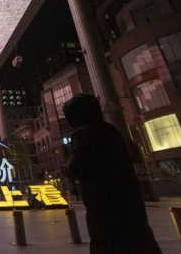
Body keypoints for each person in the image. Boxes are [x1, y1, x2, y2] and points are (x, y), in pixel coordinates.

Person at [60, 94, 161, 253]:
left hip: (104, 203)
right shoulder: (111, 131)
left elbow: (77, 167)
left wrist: (64, 168)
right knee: (140, 240)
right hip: (129, 200)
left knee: (107, 242)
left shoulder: (84, 133)